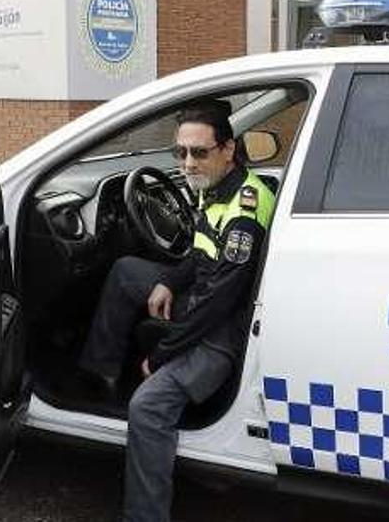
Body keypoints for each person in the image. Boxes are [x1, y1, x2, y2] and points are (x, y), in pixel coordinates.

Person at [77, 101, 276, 522]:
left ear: (228, 149)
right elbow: (199, 255)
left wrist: (162, 353)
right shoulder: (215, 188)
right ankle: (101, 374)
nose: (187, 162)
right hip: (202, 300)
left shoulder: (245, 205)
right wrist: (170, 280)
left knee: (147, 408)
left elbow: (219, 299)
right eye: (180, 153)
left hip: (223, 329)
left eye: (199, 152)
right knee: (127, 271)